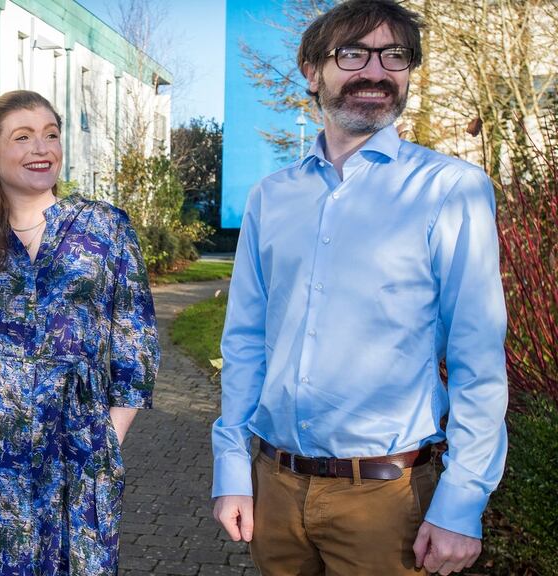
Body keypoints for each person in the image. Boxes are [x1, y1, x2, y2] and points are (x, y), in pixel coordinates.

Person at [211, 1, 508, 574]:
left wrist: (462, 502)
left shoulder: (452, 190)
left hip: (387, 504)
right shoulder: (271, 197)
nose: (375, 71)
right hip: (273, 489)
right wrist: (232, 470)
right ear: (310, 70)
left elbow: (477, 358)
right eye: (352, 54)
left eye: (394, 55)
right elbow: (245, 341)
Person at [0, 90, 159, 575]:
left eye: (51, 135)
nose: (42, 148)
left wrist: (103, 443)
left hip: (79, 456)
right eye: (24, 137)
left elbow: (135, 351)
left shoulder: (105, 230)